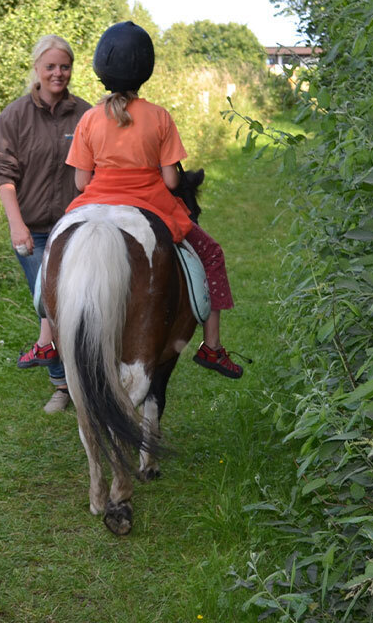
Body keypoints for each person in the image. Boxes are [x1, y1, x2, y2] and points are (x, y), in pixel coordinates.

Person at [65, 21, 243, 379]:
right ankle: (212, 347)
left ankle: (48, 339)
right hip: (151, 203)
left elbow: (82, 182)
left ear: (102, 71)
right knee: (211, 254)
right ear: (145, 70)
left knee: (59, 260)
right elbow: (171, 179)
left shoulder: (88, 119)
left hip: (94, 201)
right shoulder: (159, 117)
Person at [0, 35, 92, 412]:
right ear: (36, 68)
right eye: (50, 66)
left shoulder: (85, 115)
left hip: (76, 229)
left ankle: (76, 379)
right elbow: (3, 174)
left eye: (64, 66)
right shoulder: (14, 117)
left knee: (72, 305)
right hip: (32, 230)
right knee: (48, 306)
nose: (58, 73)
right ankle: (63, 386)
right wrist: (17, 227)